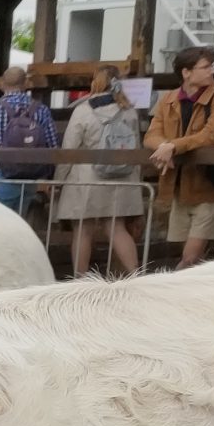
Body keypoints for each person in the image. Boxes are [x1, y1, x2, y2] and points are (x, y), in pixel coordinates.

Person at [144, 44, 214, 269]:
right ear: (186, 72)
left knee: (190, 257)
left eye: (211, 66)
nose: (211, 71)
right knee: (189, 257)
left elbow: (212, 135)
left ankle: (172, 297)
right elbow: (151, 135)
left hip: (209, 188)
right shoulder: (168, 99)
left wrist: (172, 147)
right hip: (178, 189)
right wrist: (166, 146)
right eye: (205, 67)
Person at [52, 64, 144, 278]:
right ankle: (136, 275)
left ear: (96, 82)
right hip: (122, 176)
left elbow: (69, 150)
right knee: (116, 228)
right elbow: (136, 149)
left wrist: (59, 180)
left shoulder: (83, 111)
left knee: (82, 231)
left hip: (86, 178)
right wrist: (137, 181)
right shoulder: (128, 110)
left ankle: (80, 280)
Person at [0, 66, 57, 214]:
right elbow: (52, 145)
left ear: (2, 84)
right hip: (30, 181)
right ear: (26, 83)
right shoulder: (41, 109)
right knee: (20, 227)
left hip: (2, 178)